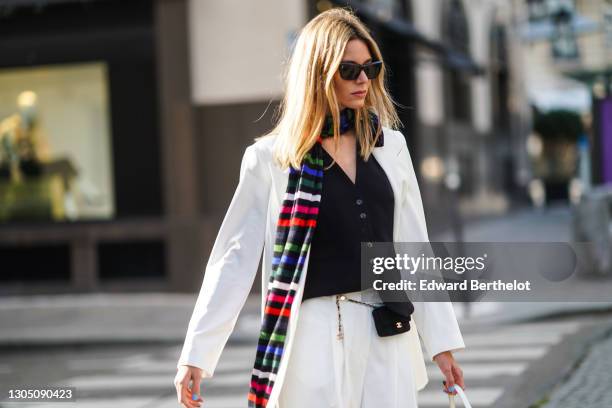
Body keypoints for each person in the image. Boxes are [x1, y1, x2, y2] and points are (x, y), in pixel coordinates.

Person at [174, 8, 466, 408]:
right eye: (350, 70)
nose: (364, 79)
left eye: (371, 67)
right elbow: (234, 256)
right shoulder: (271, 159)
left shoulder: (390, 147)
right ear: (318, 73)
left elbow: (415, 246)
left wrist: (443, 345)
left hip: (387, 330)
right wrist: (198, 354)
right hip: (312, 338)